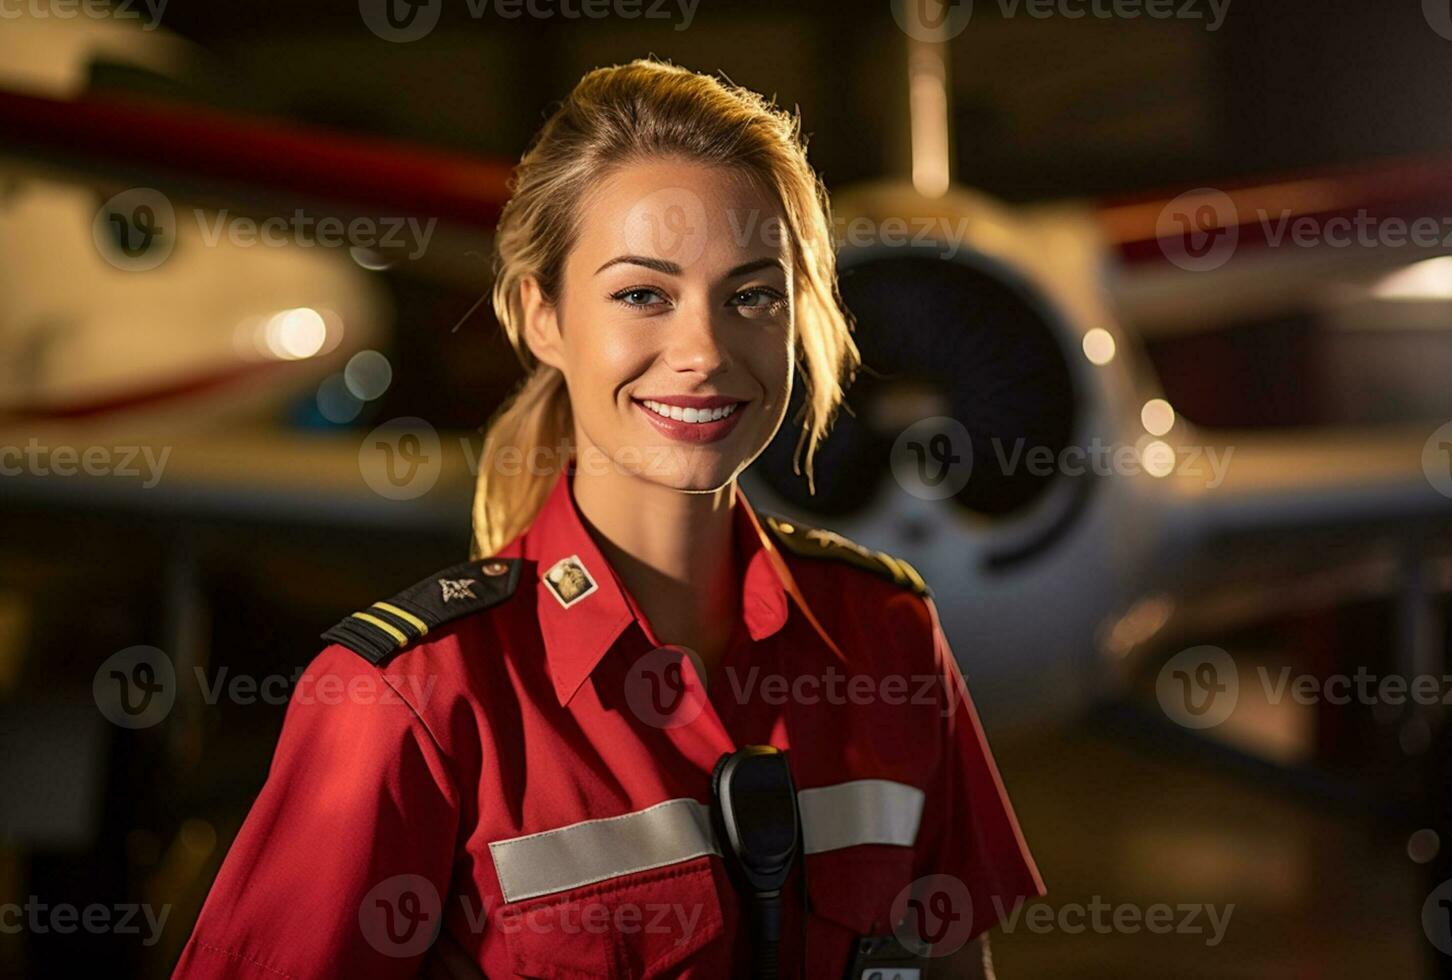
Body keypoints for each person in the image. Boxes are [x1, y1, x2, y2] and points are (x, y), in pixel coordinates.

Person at [172, 58, 1044, 979]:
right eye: (642, 294)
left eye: (752, 294)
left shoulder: (891, 640)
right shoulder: (410, 698)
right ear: (538, 315)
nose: (703, 351)